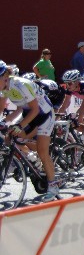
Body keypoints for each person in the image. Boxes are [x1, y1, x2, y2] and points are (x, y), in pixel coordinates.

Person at [0, 61, 60, 202]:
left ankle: (53, 185)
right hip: (28, 112)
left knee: (42, 151)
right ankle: (26, 160)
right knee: (10, 136)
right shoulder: (4, 87)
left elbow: (35, 109)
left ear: (4, 76)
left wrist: (20, 126)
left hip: (44, 114)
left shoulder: (21, 84)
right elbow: (13, 108)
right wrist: (4, 122)